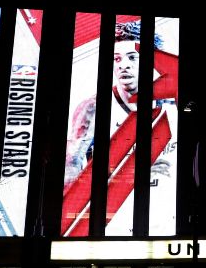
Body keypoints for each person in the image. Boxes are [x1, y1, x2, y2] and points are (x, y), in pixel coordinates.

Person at [62, 20, 178, 236]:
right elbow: (71, 176)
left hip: (167, 219)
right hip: (114, 222)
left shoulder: (175, 105)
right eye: (117, 59)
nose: (123, 65)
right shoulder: (93, 109)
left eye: (132, 57)